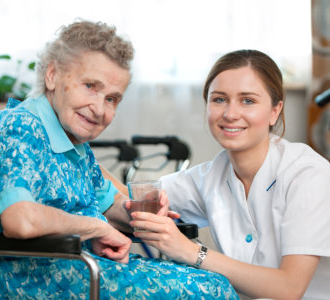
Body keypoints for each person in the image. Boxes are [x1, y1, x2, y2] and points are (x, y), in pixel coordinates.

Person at [0, 20, 239, 299]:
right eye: (90, 86)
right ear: (52, 75)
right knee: (211, 290)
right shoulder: (18, 127)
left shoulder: (74, 145)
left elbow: (112, 206)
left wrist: (144, 212)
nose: (99, 109)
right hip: (36, 282)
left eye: (112, 99)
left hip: (82, 272)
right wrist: (95, 227)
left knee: (212, 281)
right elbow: (21, 220)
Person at [127, 50, 330, 300]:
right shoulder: (212, 174)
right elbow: (127, 196)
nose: (230, 114)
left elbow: (289, 289)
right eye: (219, 99)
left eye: (248, 100)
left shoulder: (307, 173)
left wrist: (191, 251)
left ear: (275, 111)